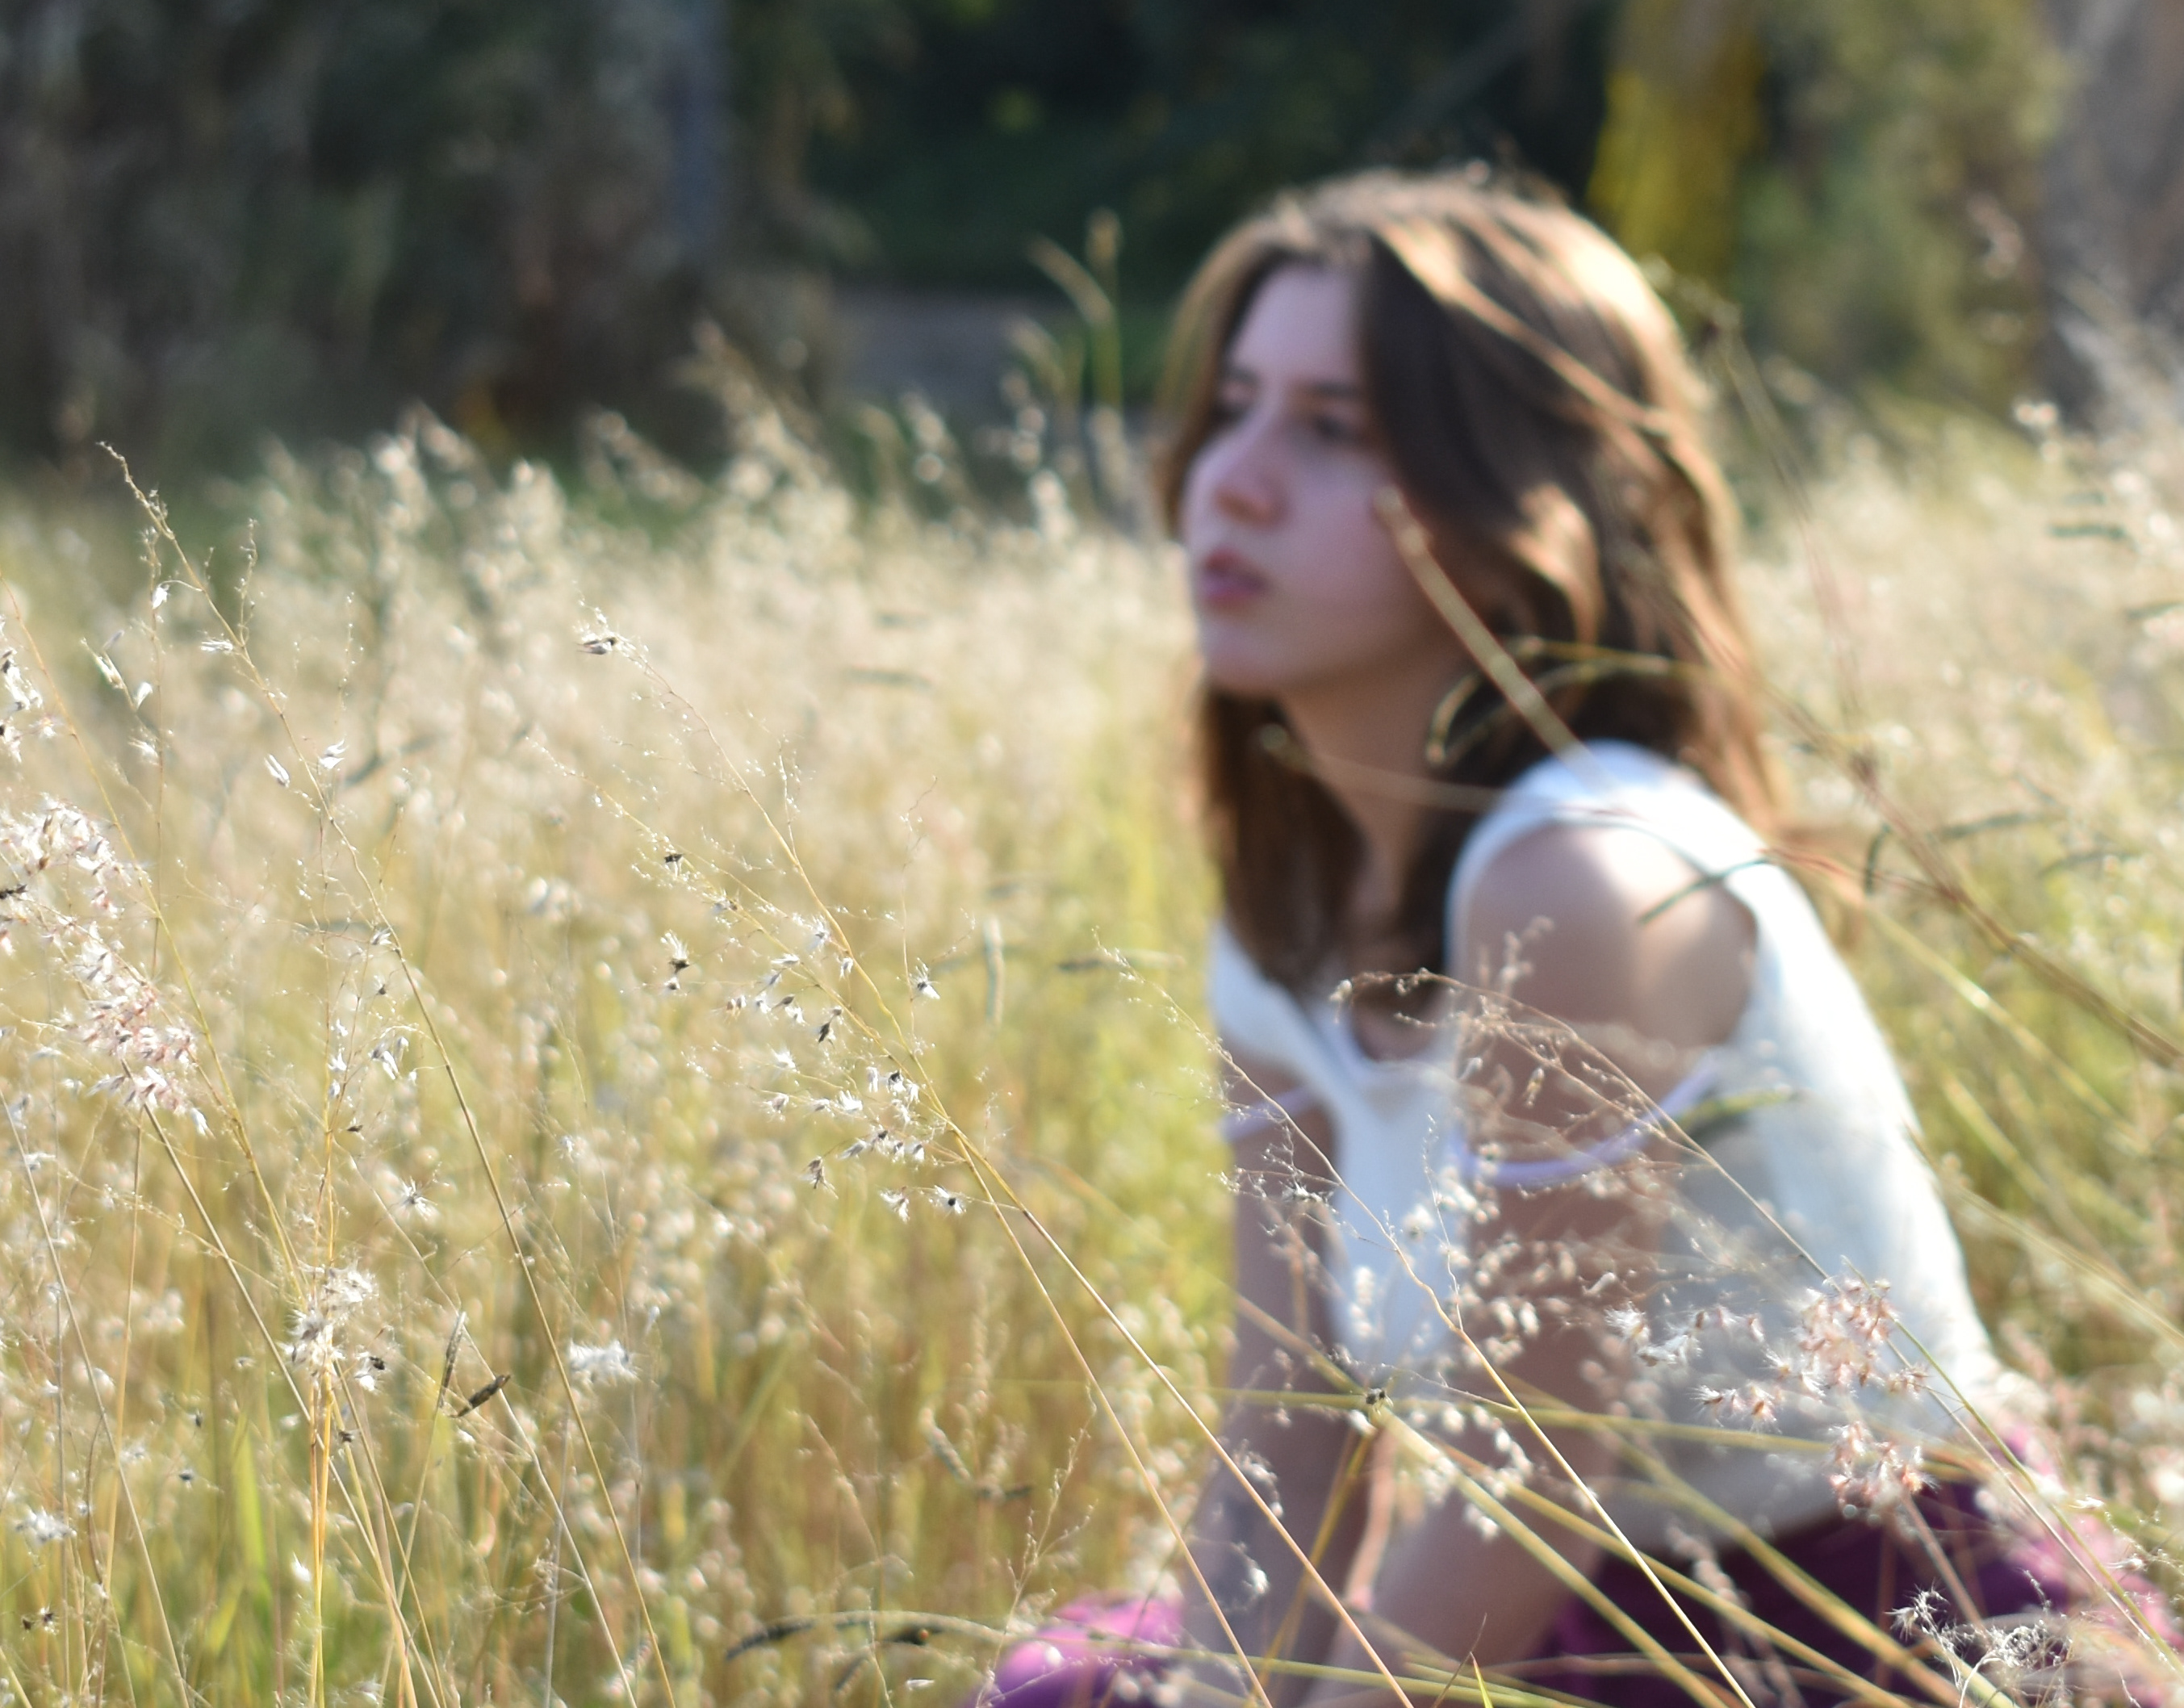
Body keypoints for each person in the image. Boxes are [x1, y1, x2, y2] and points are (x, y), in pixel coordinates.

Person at [979, 169, 2065, 1708]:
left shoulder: (1584, 879)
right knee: (1068, 1693)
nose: (1232, 482)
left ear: (1512, 511)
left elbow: (1528, 1478)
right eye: (1230, 408)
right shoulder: (1288, 909)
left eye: (1333, 430)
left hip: (1881, 1634)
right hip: (1585, 1619)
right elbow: (1292, 1423)